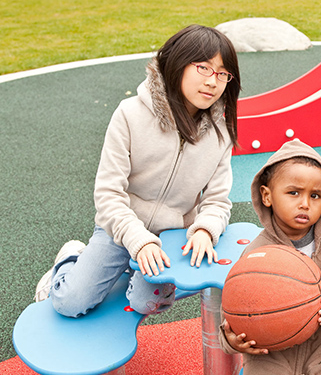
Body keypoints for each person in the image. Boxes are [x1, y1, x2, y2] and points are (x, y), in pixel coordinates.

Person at [34, 24, 241, 318]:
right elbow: (108, 194)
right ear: (178, 64)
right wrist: (138, 242)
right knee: (70, 302)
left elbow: (217, 200)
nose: (213, 81)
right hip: (121, 227)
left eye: (223, 73)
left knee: (148, 304)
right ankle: (70, 258)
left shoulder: (220, 133)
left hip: (172, 234)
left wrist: (205, 230)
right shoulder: (130, 114)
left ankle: (131, 274)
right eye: (204, 68)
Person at [219, 139, 321, 375]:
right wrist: (232, 340)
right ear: (267, 196)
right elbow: (234, 305)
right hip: (269, 362)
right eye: (294, 193)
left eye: (315, 195)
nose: (305, 203)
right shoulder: (257, 255)